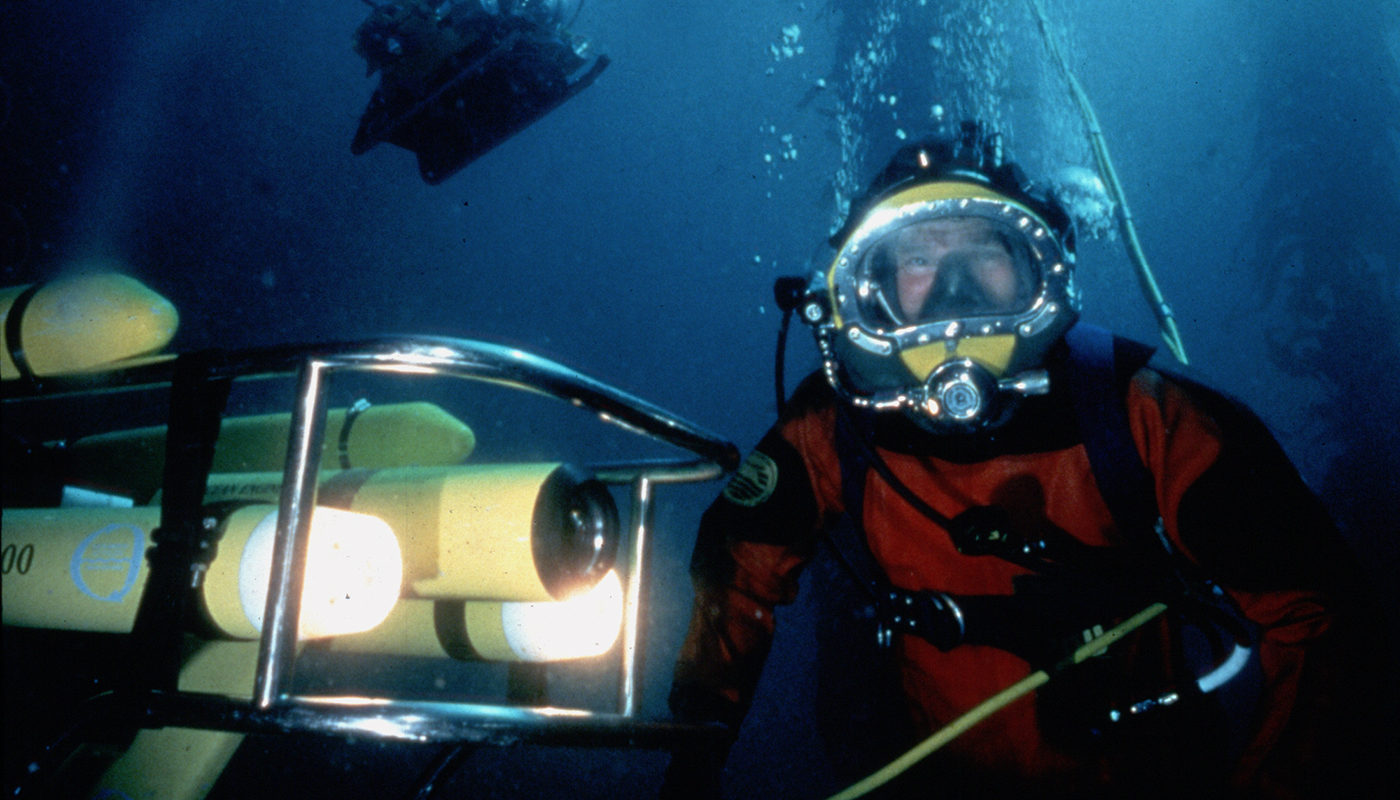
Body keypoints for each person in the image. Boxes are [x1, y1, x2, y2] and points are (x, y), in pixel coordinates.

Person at [662, 122, 1384, 799]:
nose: (953, 286)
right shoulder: (834, 424)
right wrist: (695, 756)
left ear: (1032, 262)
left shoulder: (1141, 415)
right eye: (919, 257)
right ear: (872, 283)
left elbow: (1319, 617)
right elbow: (739, 573)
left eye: (984, 248)